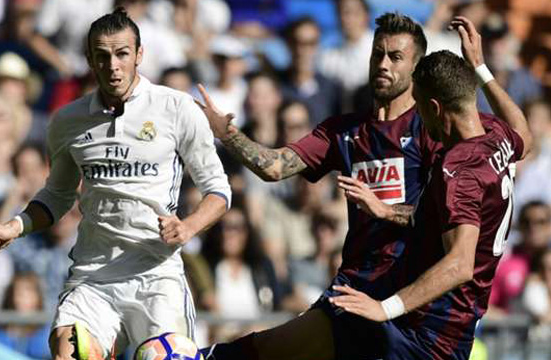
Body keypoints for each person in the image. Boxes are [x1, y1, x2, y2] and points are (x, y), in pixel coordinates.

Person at [197, 12, 525, 360]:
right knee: (267, 349)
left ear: (417, 69)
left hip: (408, 300)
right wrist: (227, 134)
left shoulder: (436, 128)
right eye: (377, 54)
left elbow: (449, 222)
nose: (383, 64)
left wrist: (386, 211)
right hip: (356, 286)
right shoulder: (345, 131)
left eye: (396, 57)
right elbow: (275, 167)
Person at [0, 8, 231, 360]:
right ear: (89, 60)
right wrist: (15, 226)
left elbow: (218, 191)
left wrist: (188, 227)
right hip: (93, 274)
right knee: (70, 353)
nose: (113, 65)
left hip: (155, 275)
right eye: (102, 56)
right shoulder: (67, 121)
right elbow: (57, 195)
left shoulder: (177, 109)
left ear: (139, 55)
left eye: (122, 54)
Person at [329, 17, 532, 359]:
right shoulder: (495, 136)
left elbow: (460, 264)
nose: (418, 117)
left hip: (432, 333)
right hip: (451, 326)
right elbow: (524, 135)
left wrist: (385, 309)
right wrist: (480, 69)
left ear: (435, 108)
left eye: (420, 108)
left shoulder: (458, 170)